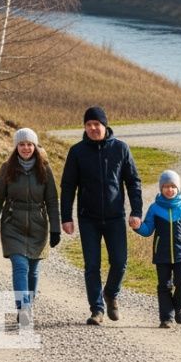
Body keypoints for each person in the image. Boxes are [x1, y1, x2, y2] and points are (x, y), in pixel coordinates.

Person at [60, 106, 143, 325]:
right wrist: (66, 217)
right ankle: (97, 309)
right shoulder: (77, 152)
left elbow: (133, 182)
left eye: (97, 124)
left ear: (105, 125)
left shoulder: (121, 149)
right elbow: (68, 186)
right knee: (92, 265)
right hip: (88, 218)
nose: (93, 128)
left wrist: (136, 211)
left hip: (115, 216)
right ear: (85, 127)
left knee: (120, 262)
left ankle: (111, 293)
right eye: (89, 125)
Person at [0, 128, 60, 327]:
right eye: (22, 144)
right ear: (16, 147)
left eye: (29, 144)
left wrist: (55, 228)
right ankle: (23, 308)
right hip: (13, 224)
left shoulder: (44, 168)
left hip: (38, 224)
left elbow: (52, 200)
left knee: (33, 271)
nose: (26, 148)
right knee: (20, 267)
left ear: (35, 146)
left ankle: (28, 304)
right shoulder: (7, 167)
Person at [134, 170, 181, 328]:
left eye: (172, 186)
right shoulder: (155, 208)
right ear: (161, 188)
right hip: (162, 254)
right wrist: (138, 227)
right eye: (165, 186)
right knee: (164, 286)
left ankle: (179, 308)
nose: (169, 189)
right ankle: (166, 318)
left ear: (178, 188)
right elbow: (147, 230)